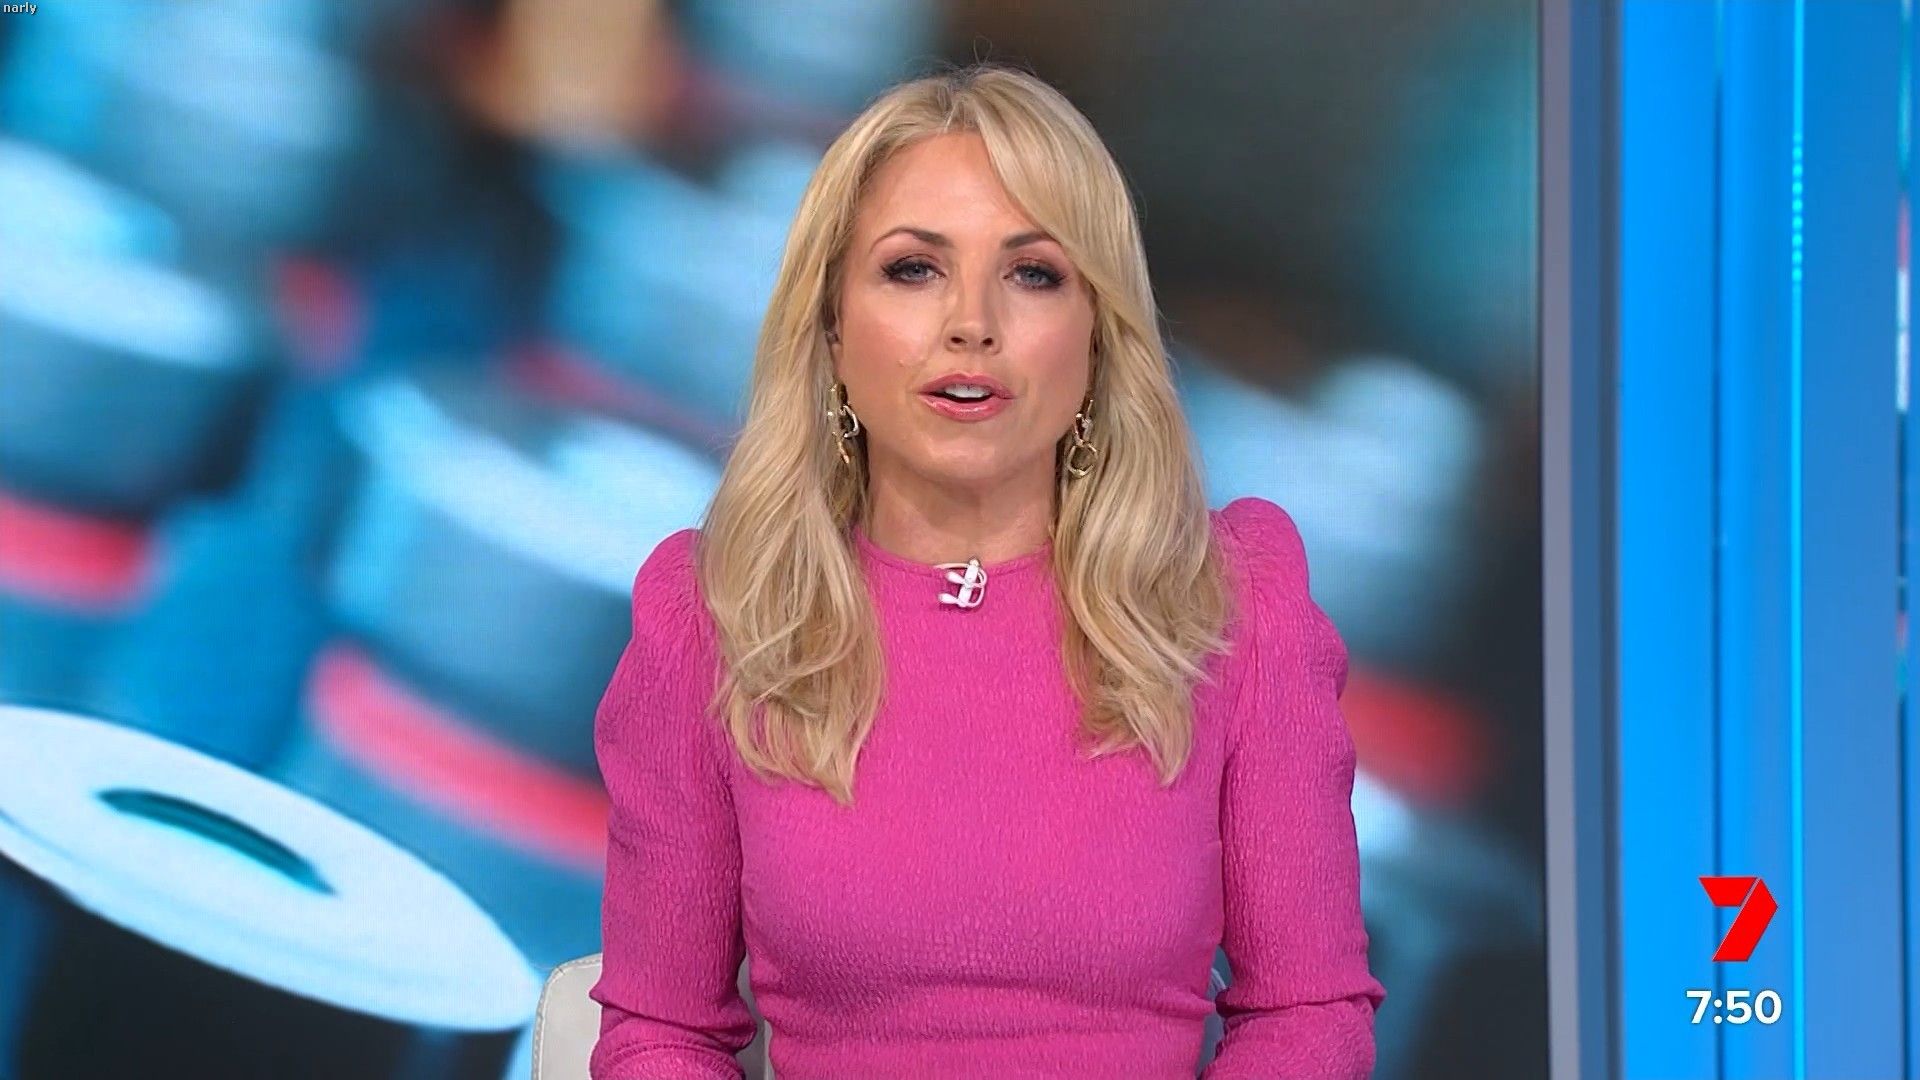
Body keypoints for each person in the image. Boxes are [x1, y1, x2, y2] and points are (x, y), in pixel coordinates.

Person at [587, 61, 1386, 1079]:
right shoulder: (715, 615)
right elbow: (662, 1035)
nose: (973, 322)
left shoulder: (1235, 604)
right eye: (913, 269)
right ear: (831, 329)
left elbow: (1307, 1016)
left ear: (1098, 338)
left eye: (1033, 273)